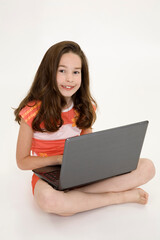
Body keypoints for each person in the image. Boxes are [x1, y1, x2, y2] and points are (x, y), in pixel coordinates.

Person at [14, 41, 155, 217]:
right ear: (49, 72)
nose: (70, 79)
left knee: (148, 167)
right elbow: (22, 162)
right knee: (49, 200)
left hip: (80, 172)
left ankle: (75, 200)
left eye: (76, 72)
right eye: (62, 70)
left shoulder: (84, 107)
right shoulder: (32, 112)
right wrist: (59, 159)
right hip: (50, 175)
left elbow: (87, 146)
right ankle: (117, 197)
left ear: (83, 75)